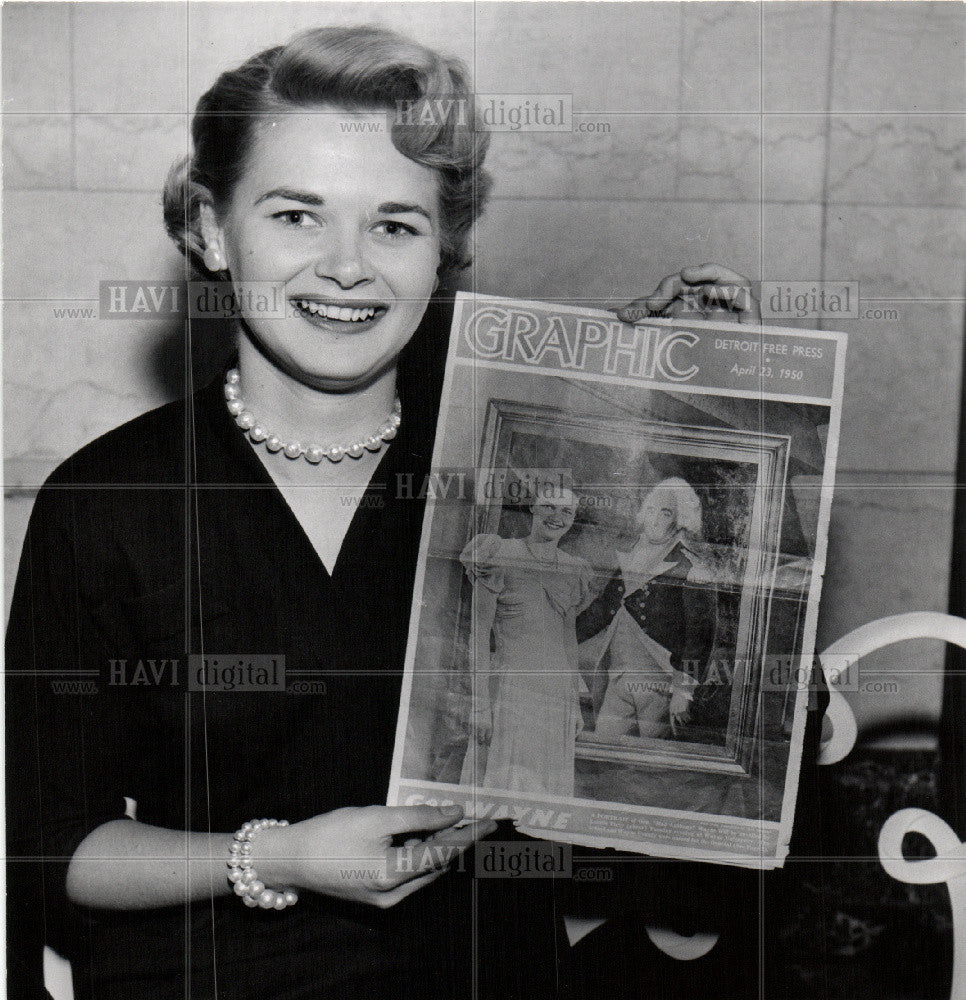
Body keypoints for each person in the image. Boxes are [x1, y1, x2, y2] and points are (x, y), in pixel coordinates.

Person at [4, 21, 780, 1000]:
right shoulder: (105, 504)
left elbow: (656, 736)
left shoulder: (518, 479)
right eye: (296, 215)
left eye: (394, 224)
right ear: (209, 227)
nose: (347, 265)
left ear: (445, 247)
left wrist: (698, 419)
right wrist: (279, 858)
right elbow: (54, 851)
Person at [459, 485, 593, 796]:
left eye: (566, 511)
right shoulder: (498, 553)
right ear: (532, 508)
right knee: (501, 788)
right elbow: (478, 635)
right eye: (548, 507)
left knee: (544, 795)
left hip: (556, 695)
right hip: (511, 690)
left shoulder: (574, 569)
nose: (556, 517)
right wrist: (479, 706)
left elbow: (568, 643)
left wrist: (573, 705)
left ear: (573, 518)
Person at [578, 477, 716, 741]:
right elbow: (602, 610)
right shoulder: (630, 556)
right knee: (605, 750)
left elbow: (700, 635)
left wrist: (683, 691)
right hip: (617, 675)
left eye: (665, 513)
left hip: (659, 682)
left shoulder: (692, 568)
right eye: (651, 510)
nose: (654, 519)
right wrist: (560, 638)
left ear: (680, 520)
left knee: (651, 765)